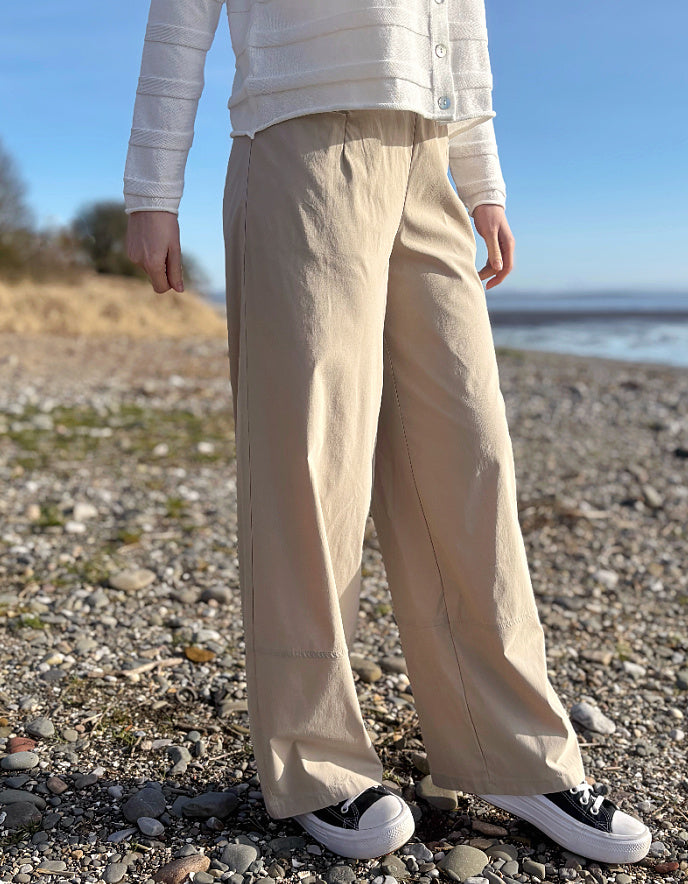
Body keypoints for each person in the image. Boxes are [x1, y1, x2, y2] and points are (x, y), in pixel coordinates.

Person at [124, 0, 651, 865]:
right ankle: (318, 759)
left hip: (428, 154)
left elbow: (461, 22)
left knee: (470, 454)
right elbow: (179, 18)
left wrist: (482, 179)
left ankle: (514, 752)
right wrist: (152, 190)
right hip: (299, 143)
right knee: (312, 463)